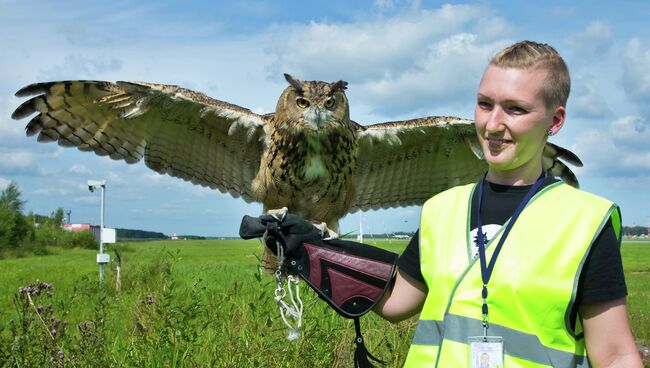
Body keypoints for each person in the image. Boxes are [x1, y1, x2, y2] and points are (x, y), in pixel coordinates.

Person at [374, 41, 643, 367]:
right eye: (484, 104)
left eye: (515, 109)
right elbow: (394, 302)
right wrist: (314, 250)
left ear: (555, 121)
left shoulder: (585, 222)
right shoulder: (441, 210)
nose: (492, 124)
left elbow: (614, 355)